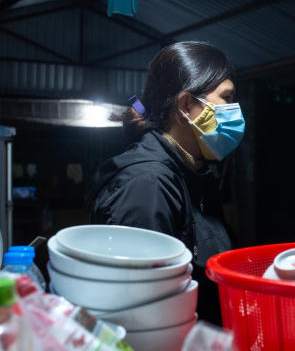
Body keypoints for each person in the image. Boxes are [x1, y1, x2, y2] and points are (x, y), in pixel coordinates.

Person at [86, 41, 244, 326]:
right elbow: (142, 311)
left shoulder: (193, 172)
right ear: (186, 105)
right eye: (227, 98)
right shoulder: (147, 184)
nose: (235, 111)